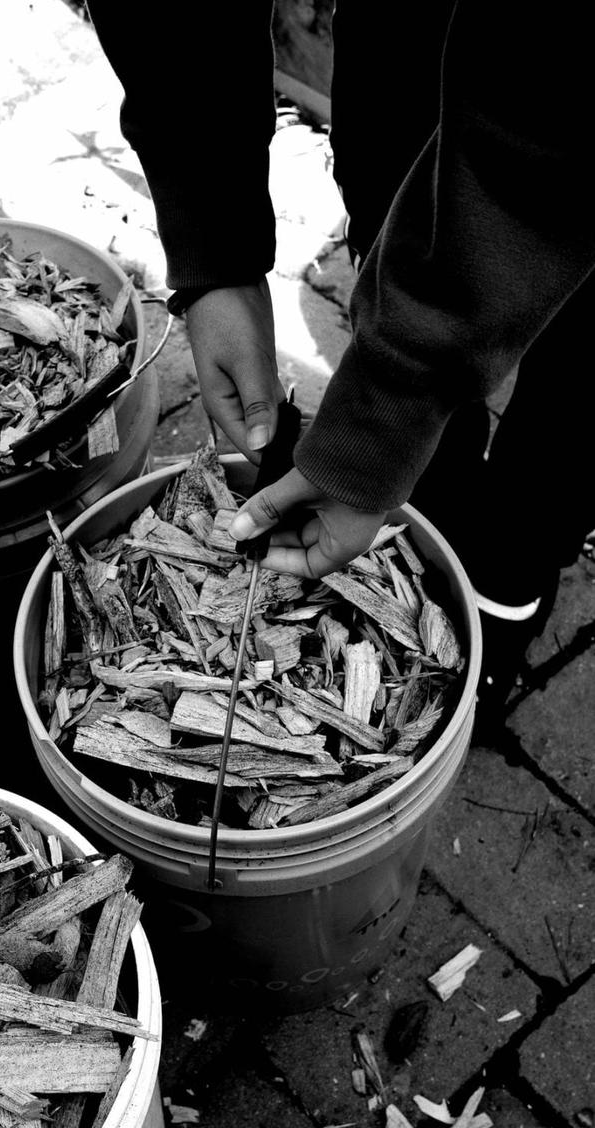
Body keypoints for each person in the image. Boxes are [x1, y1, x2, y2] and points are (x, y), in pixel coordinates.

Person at [84, 0, 595, 719]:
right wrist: (213, 248)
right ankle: (428, 526)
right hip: (410, 53)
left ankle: (509, 585)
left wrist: (388, 406)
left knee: (579, 386)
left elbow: (560, 89)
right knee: (397, 197)